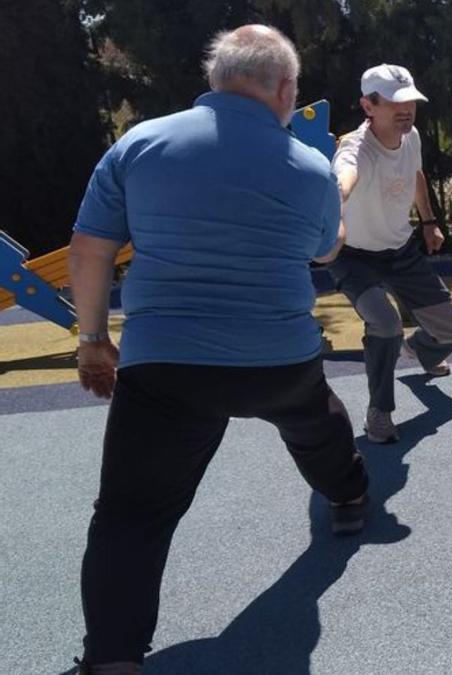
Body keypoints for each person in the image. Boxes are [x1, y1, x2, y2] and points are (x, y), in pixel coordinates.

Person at [68, 25, 370, 674]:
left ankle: (114, 660)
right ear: (286, 90)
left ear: (216, 80)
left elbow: (89, 250)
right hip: (278, 362)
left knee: (131, 515)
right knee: (314, 420)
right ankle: (348, 494)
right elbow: (324, 249)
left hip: (168, 370)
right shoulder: (311, 167)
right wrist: (334, 203)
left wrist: (94, 341)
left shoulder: (141, 143)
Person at [329, 64, 452, 444]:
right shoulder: (353, 148)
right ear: (368, 106)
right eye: (394, 102)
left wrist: (428, 221)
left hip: (401, 248)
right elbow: (346, 173)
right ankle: (380, 411)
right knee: (386, 325)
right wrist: (336, 196)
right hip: (355, 257)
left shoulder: (412, 137)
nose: (405, 109)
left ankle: (420, 350)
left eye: (410, 101)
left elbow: (415, 175)